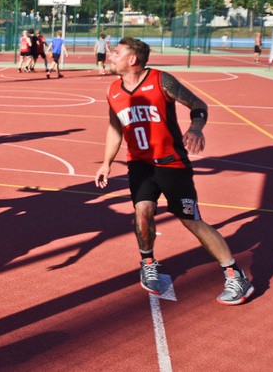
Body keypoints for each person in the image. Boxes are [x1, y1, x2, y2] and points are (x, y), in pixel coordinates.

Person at [95, 37, 254, 305]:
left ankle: (235, 274)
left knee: (191, 219)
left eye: (117, 52)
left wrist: (195, 128)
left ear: (132, 59)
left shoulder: (161, 81)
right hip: (139, 164)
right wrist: (106, 162)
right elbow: (115, 128)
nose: (110, 55)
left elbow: (199, 106)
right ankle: (147, 262)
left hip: (172, 164)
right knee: (142, 211)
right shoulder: (113, 90)